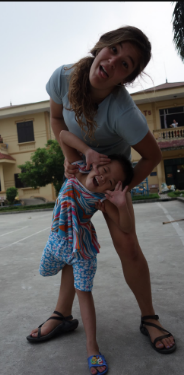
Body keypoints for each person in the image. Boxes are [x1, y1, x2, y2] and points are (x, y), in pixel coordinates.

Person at [28, 25, 176, 368]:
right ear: (101, 47)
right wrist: (71, 162)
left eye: (126, 64)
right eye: (114, 50)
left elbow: (153, 157)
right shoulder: (63, 79)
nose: (113, 61)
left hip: (111, 174)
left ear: (127, 78)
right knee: (68, 239)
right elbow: (55, 118)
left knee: (129, 246)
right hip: (81, 167)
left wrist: (119, 190)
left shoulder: (123, 112)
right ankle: (62, 314)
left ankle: (149, 318)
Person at [27, 129, 135, 374]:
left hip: (82, 251)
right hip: (57, 242)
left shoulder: (101, 200)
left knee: (83, 292)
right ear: (96, 164)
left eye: (108, 182)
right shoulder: (76, 167)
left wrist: (120, 204)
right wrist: (88, 152)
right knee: (45, 269)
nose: (102, 177)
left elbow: (126, 226)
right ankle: (62, 316)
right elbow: (63, 135)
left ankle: (92, 348)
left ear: (109, 191)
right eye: (103, 170)